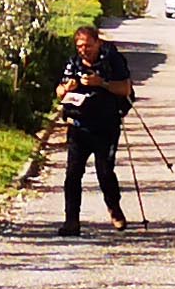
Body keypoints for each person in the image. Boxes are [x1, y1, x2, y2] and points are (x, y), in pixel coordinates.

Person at [55, 21, 135, 234]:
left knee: (105, 172)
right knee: (72, 175)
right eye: (80, 46)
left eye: (88, 45)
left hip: (106, 126)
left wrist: (101, 83)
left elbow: (125, 88)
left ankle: (114, 208)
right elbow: (59, 91)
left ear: (98, 42)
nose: (84, 50)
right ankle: (71, 220)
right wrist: (65, 89)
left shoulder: (113, 61)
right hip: (79, 127)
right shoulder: (73, 63)